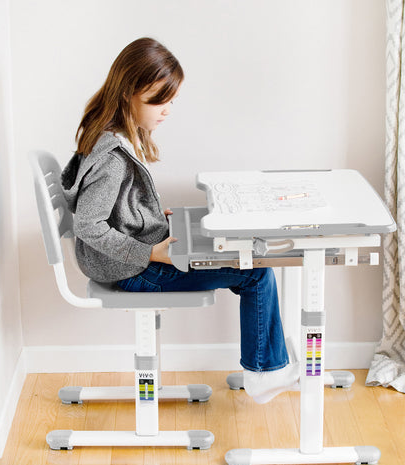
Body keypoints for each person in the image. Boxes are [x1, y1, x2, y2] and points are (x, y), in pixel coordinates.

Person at [61, 37, 299, 403]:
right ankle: (266, 372)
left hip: (132, 260)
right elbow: (89, 225)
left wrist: (150, 217)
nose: (168, 109)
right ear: (129, 93)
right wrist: (150, 253)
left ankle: (264, 364)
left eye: (172, 99)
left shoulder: (113, 134)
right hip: (136, 269)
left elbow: (115, 208)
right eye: (161, 99)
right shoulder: (112, 157)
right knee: (256, 272)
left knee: (234, 252)